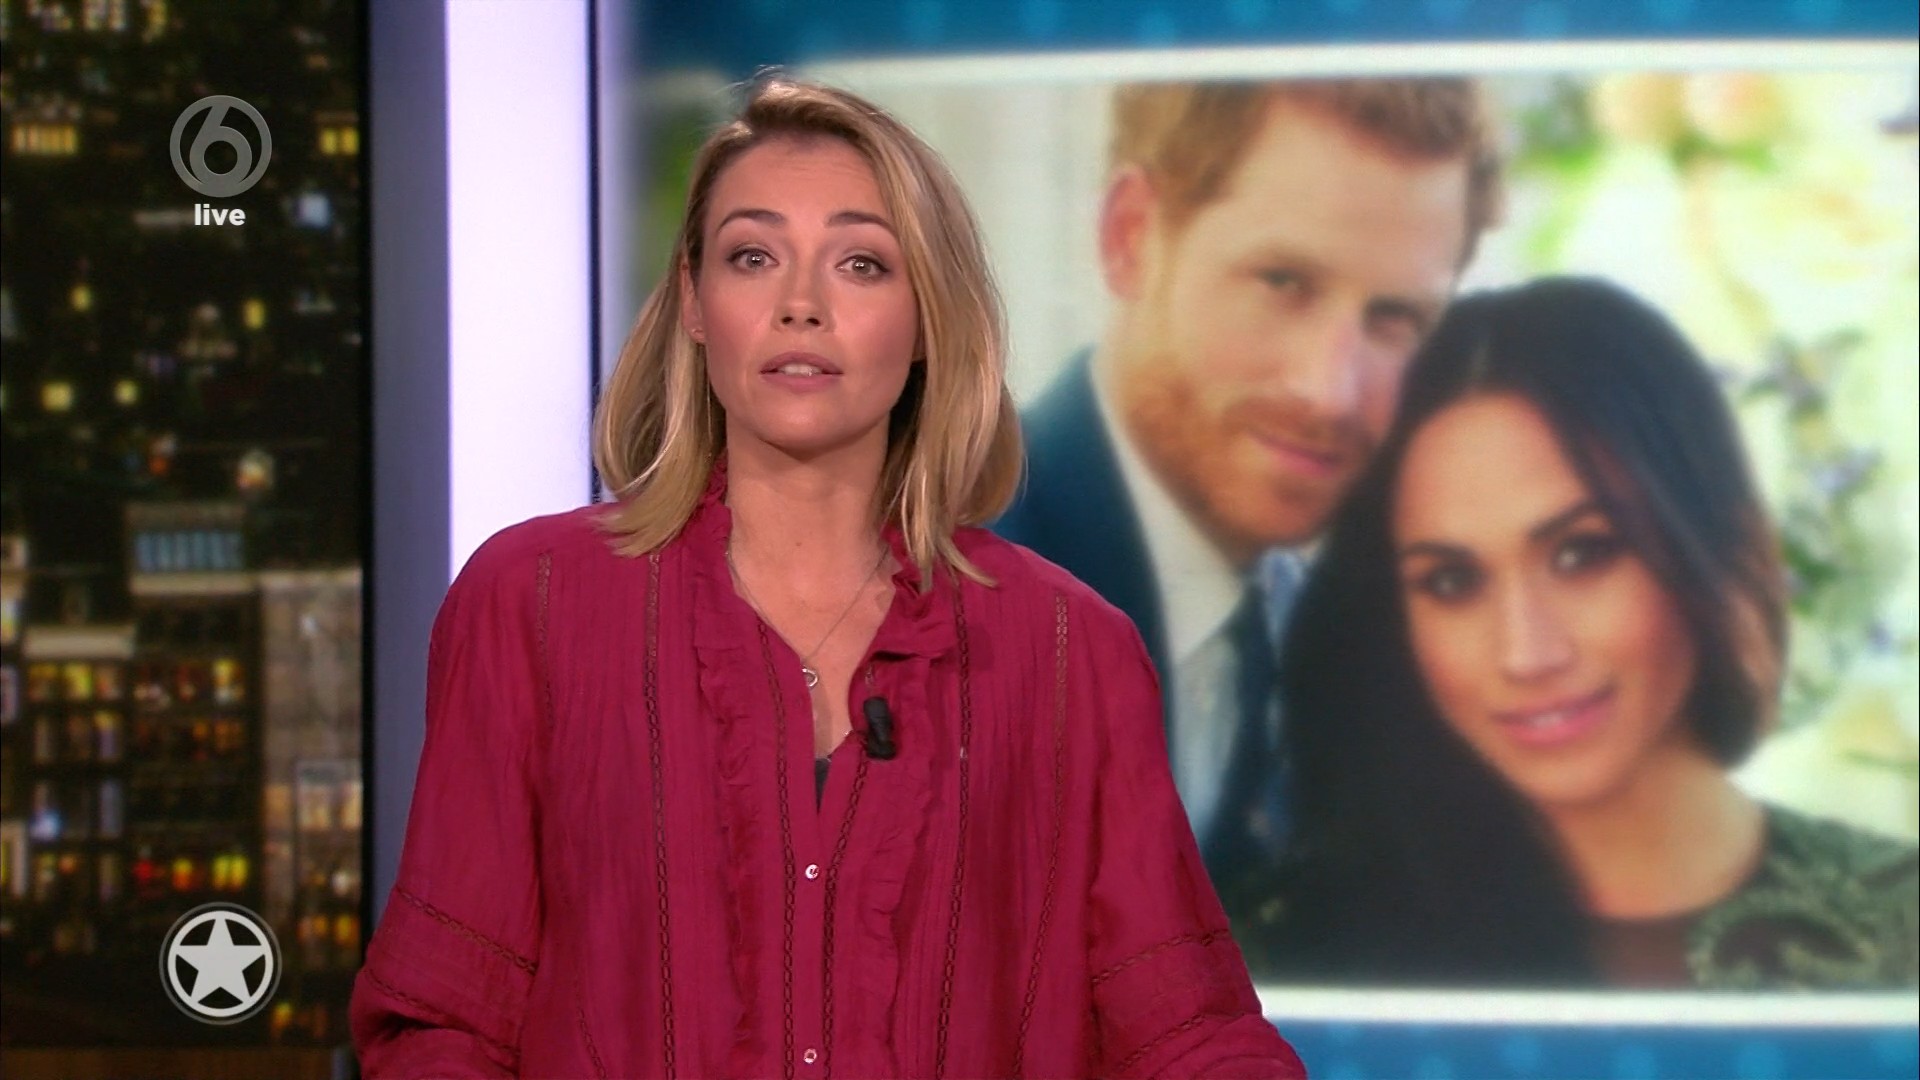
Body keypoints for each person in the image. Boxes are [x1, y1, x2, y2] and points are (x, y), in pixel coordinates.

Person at [350, 77, 1304, 1078]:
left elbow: (1182, 1032)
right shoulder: (533, 604)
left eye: (861, 264)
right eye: (752, 257)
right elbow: (445, 1025)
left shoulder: (1070, 650)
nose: (800, 305)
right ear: (695, 304)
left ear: (928, 318)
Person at [1271, 277, 1920, 988]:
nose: (1526, 652)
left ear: (1716, 540)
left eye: (1583, 554)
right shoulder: (1270, 960)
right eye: (1452, 582)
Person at [993, 77, 1503, 951]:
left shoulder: (1357, 644)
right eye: (1283, 282)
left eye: (1395, 319)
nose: (1329, 390)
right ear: (1130, 237)